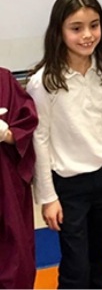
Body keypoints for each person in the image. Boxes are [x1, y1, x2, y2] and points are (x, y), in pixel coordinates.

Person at [26, 0, 102, 288]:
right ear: (59, 31)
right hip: (69, 186)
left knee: (100, 257)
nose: (87, 35)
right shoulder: (44, 82)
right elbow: (39, 140)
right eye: (76, 28)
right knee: (75, 265)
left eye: (94, 25)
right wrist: (48, 197)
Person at [0, 67, 38, 289]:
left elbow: (27, 126)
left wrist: (7, 134)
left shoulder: (3, 80)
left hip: (5, 186)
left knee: (15, 255)